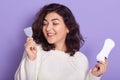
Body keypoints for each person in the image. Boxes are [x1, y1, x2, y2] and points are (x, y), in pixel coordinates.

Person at [14, 3, 108, 80]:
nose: (48, 28)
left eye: (55, 23)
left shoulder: (81, 59)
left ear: (68, 28)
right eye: (45, 24)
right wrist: (31, 60)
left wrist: (94, 76)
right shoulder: (35, 51)